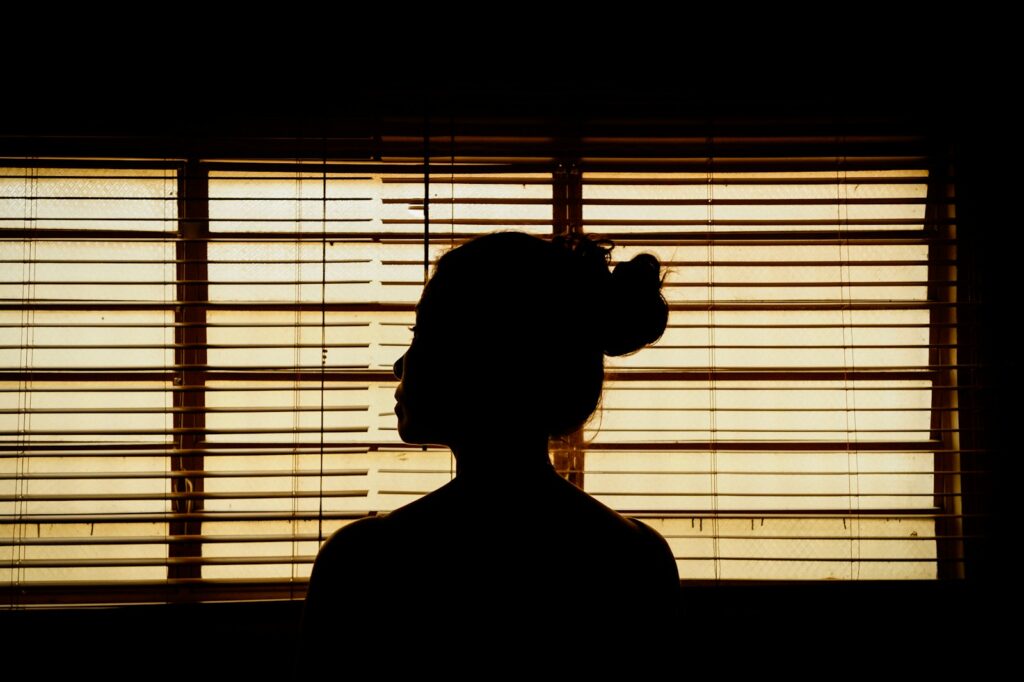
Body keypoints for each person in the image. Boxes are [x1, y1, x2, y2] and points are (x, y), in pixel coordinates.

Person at [298, 231, 681, 671]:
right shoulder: (637, 559)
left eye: (421, 333)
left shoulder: (363, 565)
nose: (399, 364)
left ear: (477, 355)